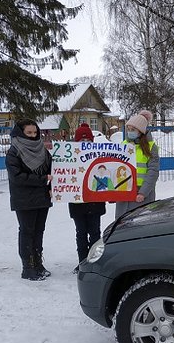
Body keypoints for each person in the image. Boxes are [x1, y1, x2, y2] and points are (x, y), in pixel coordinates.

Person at [5, 118, 53, 281]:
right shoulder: (14, 152)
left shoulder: (43, 150)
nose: (33, 136)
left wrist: (52, 187)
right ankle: (28, 267)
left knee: (39, 232)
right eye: (29, 133)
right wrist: (42, 179)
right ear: (20, 133)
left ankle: (38, 263)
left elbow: (51, 170)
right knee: (27, 232)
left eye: (35, 132)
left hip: (42, 198)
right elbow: (17, 177)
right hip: (24, 200)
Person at [69, 123, 106, 273]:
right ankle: (83, 262)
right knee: (81, 233)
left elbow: (106, 177)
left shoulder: (99, 156)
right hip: (77, 203)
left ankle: (95, 262)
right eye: (81, 140)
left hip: (95, 203)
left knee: (95, 233)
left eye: (87, 140)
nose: (85, 143)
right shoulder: (69, 157)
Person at [115, 110, 160, 219]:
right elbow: (116, 168)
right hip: (124, 192)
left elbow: (153, 172)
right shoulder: (123, 145)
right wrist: (114, 190)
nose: (130, 132)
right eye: (128, 129)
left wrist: (143, 193)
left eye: (133, 129)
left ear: (140, 131)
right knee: (122, 226)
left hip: (141, 194)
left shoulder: (150, 147)